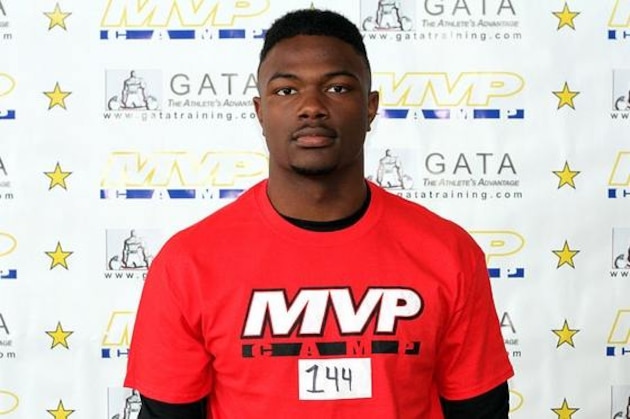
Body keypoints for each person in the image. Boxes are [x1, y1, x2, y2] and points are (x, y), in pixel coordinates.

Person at [124, 8, 513, 419]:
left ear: (371, 107)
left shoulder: (448, 252)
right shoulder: (188, 262)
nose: (311, 107)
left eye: (338, 88)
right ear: (260, 111)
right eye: (286, 91)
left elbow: (481, 412)